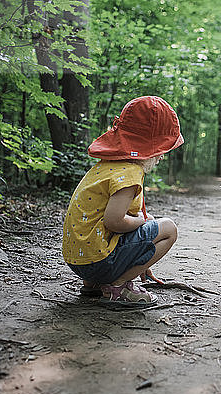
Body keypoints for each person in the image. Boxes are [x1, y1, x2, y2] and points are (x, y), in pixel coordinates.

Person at [62, 96, 183, 307]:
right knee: (169, 228)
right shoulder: (130, 174)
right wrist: (143, 221)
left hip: (78, 260)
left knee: (147, 223)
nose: (162, 157)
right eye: (161, 150)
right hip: (99, 260)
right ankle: (117, 286)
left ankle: (93, 284)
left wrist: (138, 256)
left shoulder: (105, 167)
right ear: (148, 147)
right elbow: (114, 221)